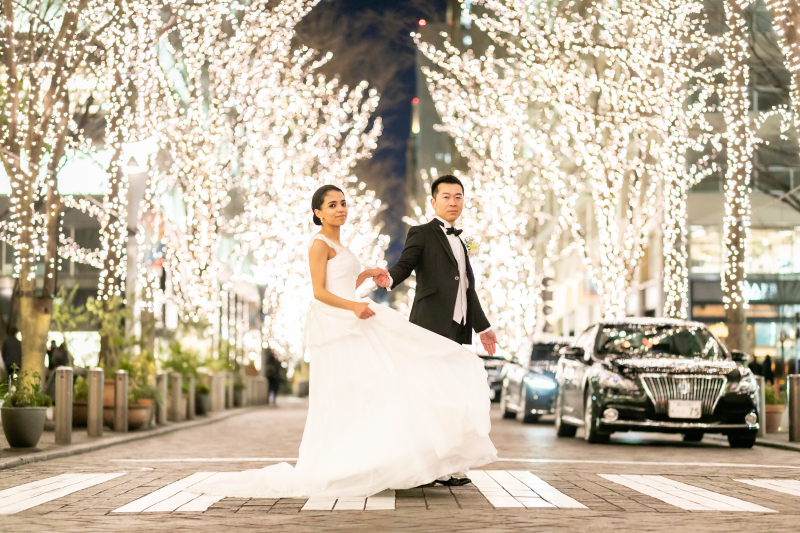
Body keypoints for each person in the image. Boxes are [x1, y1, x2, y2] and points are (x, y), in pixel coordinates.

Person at [188, 185, 496, 499]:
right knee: (356, 392)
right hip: (340, 325)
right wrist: (353, 306)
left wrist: (364, 275)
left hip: (354, 320)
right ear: (317, 212)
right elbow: (319, 291)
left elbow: (343, 280)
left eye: (343, 204)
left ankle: (389, 459)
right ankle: (354, 462)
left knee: (378, 390)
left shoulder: (339, 243)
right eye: (332, 205)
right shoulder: (319, 244)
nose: (340, 209)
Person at [374, 174, 496, 486]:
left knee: (452, 400)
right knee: (430, 401)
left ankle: (448, 466)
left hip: (456, 333)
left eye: (458, 197)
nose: (453, 202)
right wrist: (389, 278)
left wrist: (484, 328)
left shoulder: (463, 240)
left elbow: (468, 289)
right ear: (433, 202)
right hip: (428, 329)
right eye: (446, 197)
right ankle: (425, 468)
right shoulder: (423, 233)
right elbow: (406, 264)